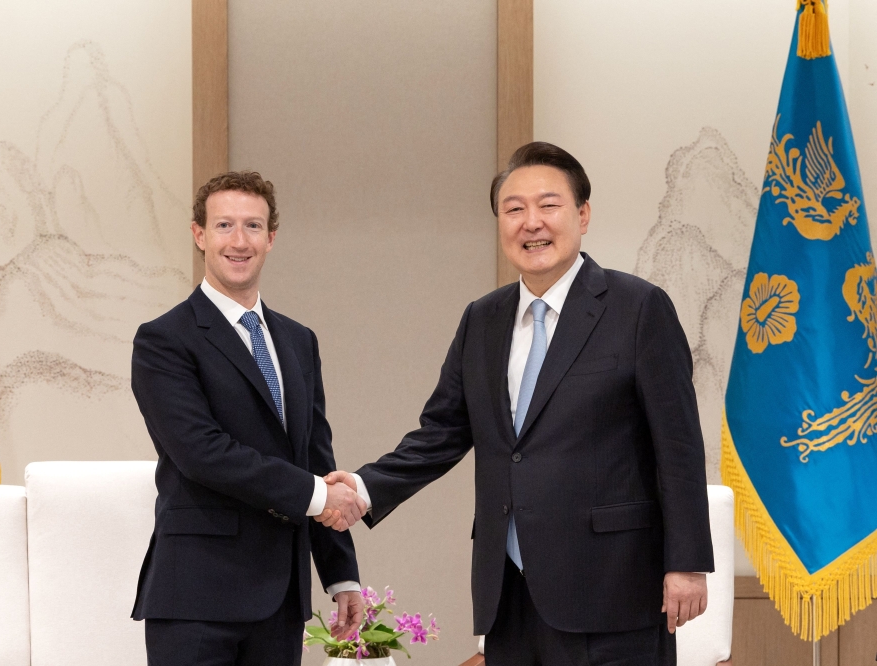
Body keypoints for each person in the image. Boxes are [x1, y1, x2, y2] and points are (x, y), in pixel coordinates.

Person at [320, 143, 715, 665]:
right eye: (514, 209)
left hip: (613, 588)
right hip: (509, 594)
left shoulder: (638, 308)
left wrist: (686, 563)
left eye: (548, 205)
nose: (532, 223)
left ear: (583, 214)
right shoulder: (482, 319)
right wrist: (364, 489)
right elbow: (440, 433)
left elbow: (679, 445)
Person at [130, 171, 367, 666]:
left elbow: (315, 456)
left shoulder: (299, 340)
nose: (239, 241)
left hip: (280, 601)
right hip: (196, 596)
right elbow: (202, 453)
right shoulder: (164, 340)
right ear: (199, 235)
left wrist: (340, 573)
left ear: (271, 238)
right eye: (224, 226)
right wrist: (321, 496)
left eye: (253, 226)